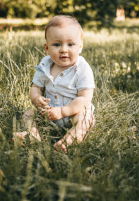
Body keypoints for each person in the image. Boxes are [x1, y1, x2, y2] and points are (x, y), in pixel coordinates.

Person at [13, 15, 95, 153]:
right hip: (49, 113)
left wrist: (63, 111)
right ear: (47, 48)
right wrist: (37, 99)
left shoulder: (82, 68)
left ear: (80, 46)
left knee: (84, 119)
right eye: (57, 44)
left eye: (70, 44)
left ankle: (70, 139)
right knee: (28, 114)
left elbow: (85, 99)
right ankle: (32, 134)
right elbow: (36, 88)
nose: (63, 49)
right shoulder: (45, 65)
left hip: (73, 112)